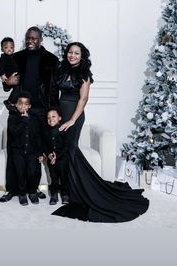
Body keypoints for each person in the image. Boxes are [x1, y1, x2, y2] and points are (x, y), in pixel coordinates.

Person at [51, 42, 149, 222]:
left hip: (75, 115)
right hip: (61, 115)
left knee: (71, 150)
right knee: (65, 152)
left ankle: (83, 191)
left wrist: (72, 120)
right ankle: (70, 189)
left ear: (82, 56)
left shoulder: (84, 74)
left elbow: (84, 99)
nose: (72, 55)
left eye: (76, 53)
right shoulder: (62, 70)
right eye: (70, 52)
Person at [0, 26, 59, 203]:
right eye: (28, 38)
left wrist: (52, 111)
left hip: (39, 112)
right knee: (14, 149)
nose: (30, 41)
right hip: (18, 109)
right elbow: (7, 83)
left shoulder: (51, 59)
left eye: (34, 38)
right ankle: (13, 189)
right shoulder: (16, 57)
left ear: (40, 39)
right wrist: (8, 81)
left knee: (35, 151)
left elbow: (54, 88)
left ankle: (33, 188)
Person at [7, 91, 43, 205]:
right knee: (20, 172)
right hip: (18, 152)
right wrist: (24, 120)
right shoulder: (12, 118)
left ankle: (32, 192)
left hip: (32, 152)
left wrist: (40, 153)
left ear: (29, 106)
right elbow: (14, 132)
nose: (23, 106)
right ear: (16, 105)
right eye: (20, 103)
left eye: (26, 104)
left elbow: (37, 136)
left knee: (32, 172)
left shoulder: (34, 119)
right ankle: (22, 194)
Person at [43, 108, 69, 205]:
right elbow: (45, 145)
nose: (51, 119)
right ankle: (54, 194)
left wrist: (56, 156)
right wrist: (49, 154)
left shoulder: (64, 130)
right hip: (51, 160)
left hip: (62, 159)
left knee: (63, 177)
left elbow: (66, 146)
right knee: (53, 177)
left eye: (53, 116)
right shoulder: (46, 131)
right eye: (48, 117)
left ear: (60, 118)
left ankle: (65, 194)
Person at [0, 37, 19, 105]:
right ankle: (10, 101)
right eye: (6, 47)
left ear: (13, 49)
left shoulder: (15, 57)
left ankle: (11, 101)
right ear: (2, 49)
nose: (9, 49)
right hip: (6, 78)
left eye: (11, 47)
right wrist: (2, 75)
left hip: (14, 77)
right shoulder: (2, 58)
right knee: (16, 88)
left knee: (17, 89)